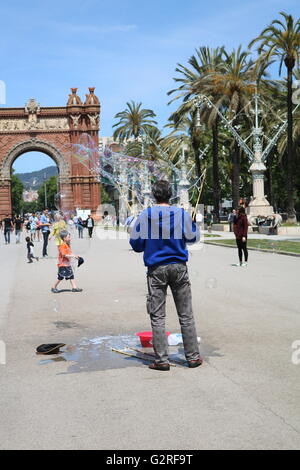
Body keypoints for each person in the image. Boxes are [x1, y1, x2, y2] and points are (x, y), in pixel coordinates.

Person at [130, 180, 203, 371]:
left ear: (154, 195)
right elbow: (193, 237)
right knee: (186, 314)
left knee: (157, 316)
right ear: (171, 194)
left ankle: (162, 360)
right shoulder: (180, 214)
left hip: (156, 269)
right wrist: (192, 225)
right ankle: (193, 357)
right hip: (179, 267)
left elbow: (136, 245)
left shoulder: (146, 215)